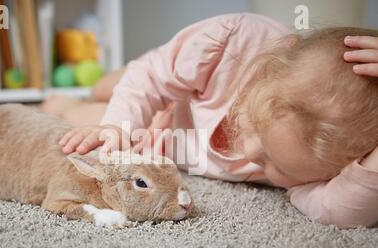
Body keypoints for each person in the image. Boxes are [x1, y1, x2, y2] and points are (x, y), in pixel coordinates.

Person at [42, 13, 378, 228]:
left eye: (278, 167)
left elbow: (343, 211)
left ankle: (65, 104)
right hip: (171, 96)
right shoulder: (233, 43)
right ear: (264, 71)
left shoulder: (327, 172)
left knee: (75, 116)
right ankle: (106, 84)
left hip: (159, 138)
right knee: (115, 91)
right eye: (255, 128)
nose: (247, 152)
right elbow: (152, 77)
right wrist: (115, 125)